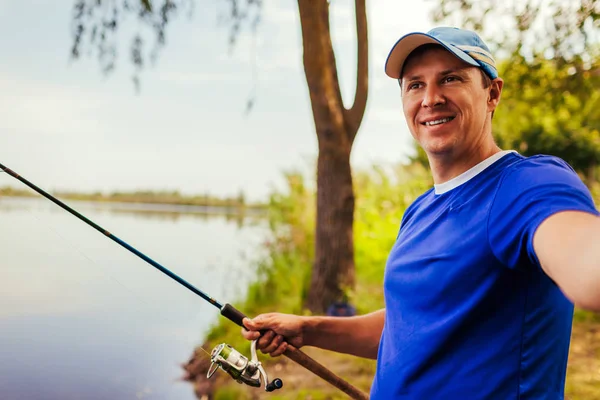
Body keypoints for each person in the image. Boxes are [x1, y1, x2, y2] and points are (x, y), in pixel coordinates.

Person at [241, 27, 600, 399]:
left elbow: (587, 265)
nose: (431, 98)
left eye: (450, 78)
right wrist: (309, 329)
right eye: (415, 85)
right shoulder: (421, 209)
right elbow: (409, 326)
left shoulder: (525, 185)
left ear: (492, 93)